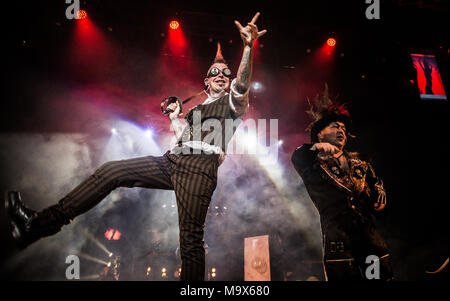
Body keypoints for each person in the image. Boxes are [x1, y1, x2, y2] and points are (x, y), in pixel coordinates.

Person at [5, 12, 267, 281]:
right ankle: (36, 226)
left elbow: (243, 81)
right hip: (172, 161)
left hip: (199, 168)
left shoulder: (235, 103)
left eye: (226, 73)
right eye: (215, 73)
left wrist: (247, 47)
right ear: (206, 82)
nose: (222, 76)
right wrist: (176, 117)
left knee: (190, 239)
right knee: (111, 171)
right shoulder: (197, 109)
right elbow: (181, 140)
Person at [291, 86, 394, 280]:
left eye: (344, 128)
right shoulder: (311, 162)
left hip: (370, 241)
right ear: (320, 134)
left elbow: (377, 197)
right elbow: (297, 156)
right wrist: (317, 147)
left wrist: (381, 207)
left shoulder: (361, 162)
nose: (341, 130)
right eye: (335, 127)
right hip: (338, 241)